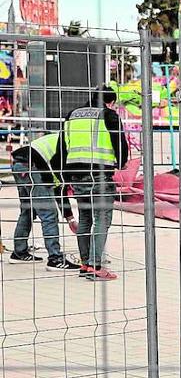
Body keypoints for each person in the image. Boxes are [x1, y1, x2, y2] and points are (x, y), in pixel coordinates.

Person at [58, 85, 128, 282]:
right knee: (102, 220)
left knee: (86, 219)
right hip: (99, 176)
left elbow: (63, 145)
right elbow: (120, 143)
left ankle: (85, 264)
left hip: (76, 174)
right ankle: (96, 266)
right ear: (110, 101)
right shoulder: (109, 115)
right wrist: (121, 163)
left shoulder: (72, 115)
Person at [8, 131, 77, 270]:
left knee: (29, 210)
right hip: (32, 166)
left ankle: (19, 252)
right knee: (49, 213)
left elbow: (58, 187)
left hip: (20, 164)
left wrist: (69, 218)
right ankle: (55, 259)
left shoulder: (65, 139)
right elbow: (60, 189)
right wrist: (70, 217)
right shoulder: (72, 148)